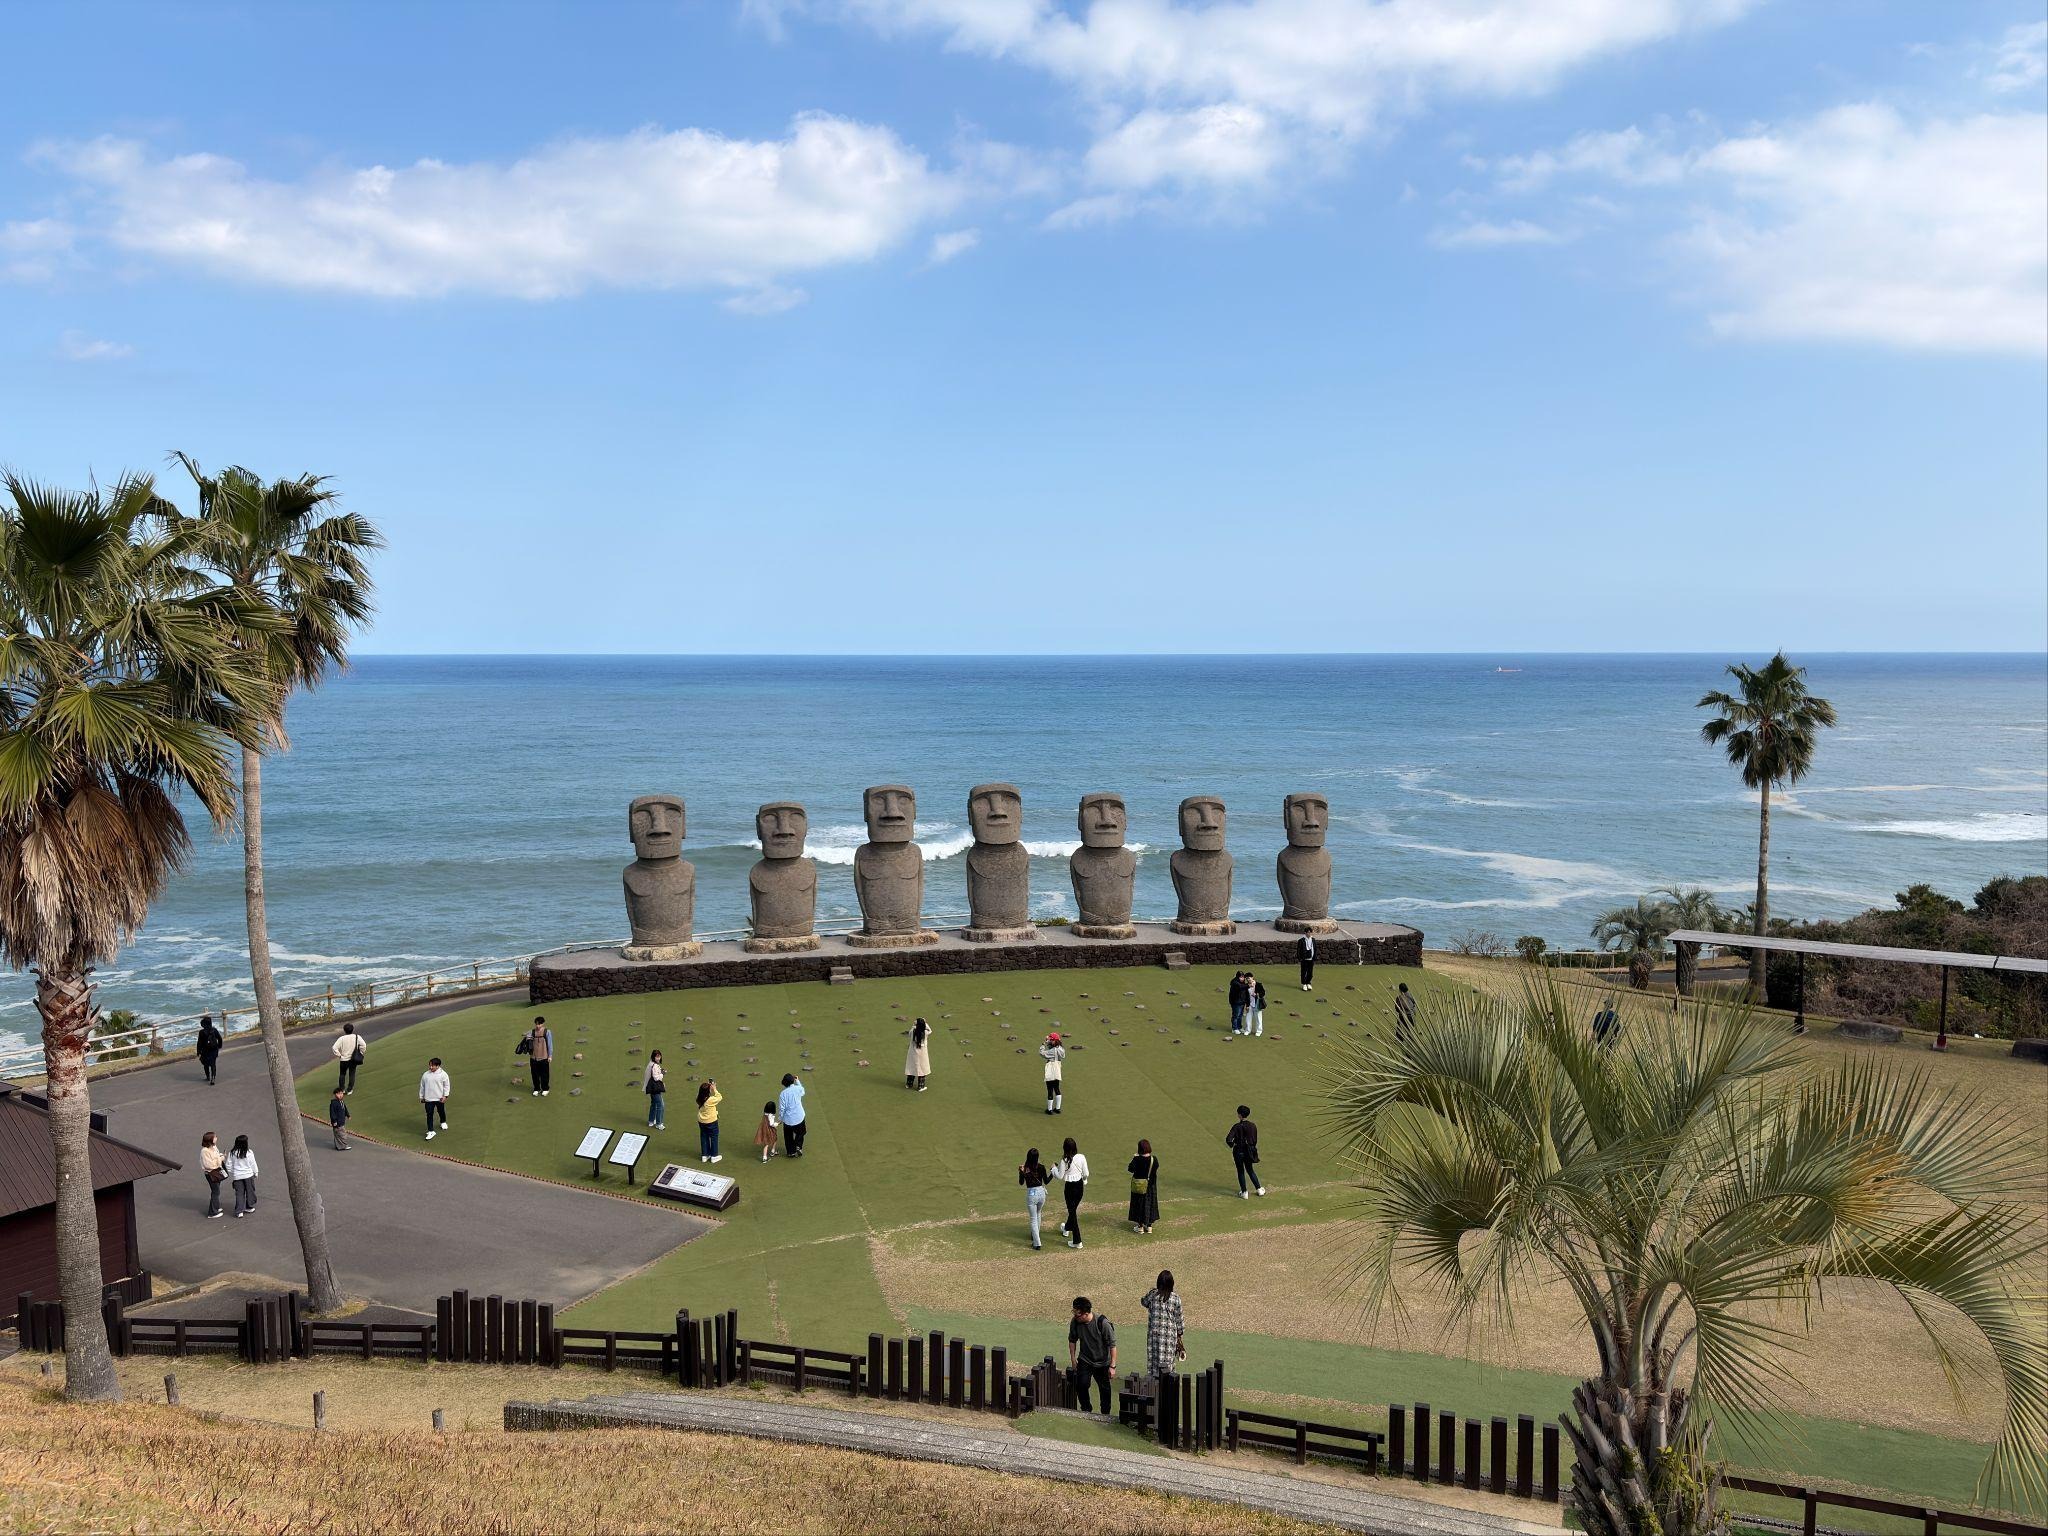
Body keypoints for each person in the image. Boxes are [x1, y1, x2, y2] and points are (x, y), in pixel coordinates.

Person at [1066, 1295, 1117, 1415]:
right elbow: (1072, 1340)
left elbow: (1112, 1345)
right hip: (1085, 1359)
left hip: (1102, 1362)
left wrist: (1112, 1366)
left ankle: (1105, 1414)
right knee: (1081, 1385)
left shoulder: (1102, 1323)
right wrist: (1073, 1359)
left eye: (1077, 1314)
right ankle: (1086, 1410)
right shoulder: (1075, 1322)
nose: (1075, 1316)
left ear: (1086, 1313)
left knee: (1105, 1390)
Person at [1140, 1270, 1186, 1386]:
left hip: (1154, 1335)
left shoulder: (1152, 1295)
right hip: (1169, 1336)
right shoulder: (1176, 1298)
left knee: (1154, 1358)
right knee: (1168, 1359)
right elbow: (1179, 1320)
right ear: (1171, 1284)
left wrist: (1151, 1291)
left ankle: (1154, 1382)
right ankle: (1168, 1382)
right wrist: (1180, 1334)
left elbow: (1143, 1302)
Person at [1052, 1136, 1089, 1249]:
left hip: (1070, 1189)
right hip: (1079, 1187)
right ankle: (1067, 1228)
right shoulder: (1081, 1157)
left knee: (1072, 1213)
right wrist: (1084, 1179)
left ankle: (1077, 1241)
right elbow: (1086, 1173)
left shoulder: (1064, 1160)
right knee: (1072, 1211)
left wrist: (1053, 1169)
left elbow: (1059, 1176)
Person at [1225, 1104, 1265, 1198]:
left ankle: (1244, 1192)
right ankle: (1259, 1189)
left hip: (1238, 1152)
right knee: (1250, 1170)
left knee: (1240, 1171)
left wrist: (1233, 1144)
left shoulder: (1237, 1126)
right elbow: (1254, 1140)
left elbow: (1228, 1139)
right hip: (1249, 1151)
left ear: (1239, 1115)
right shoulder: (1253, 1126)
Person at [1019, 1146, 1051, 1250]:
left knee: (1033, 1219)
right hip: (1041, 1193)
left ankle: (1037, 1243)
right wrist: (1053, 1172)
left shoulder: (1025, 1168)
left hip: (1031, 1194)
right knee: (1038, 1213)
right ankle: (1035, 1234)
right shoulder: (1041, 1167)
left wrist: (1021, 1172)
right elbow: (1046, 1181)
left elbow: (1021, 1183)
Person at [1127, 1138, 1160, 1235]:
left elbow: (1130, 1169)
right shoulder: (1154, 1159)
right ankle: (1149, 1226)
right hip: (1151, 1187)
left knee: (1139, 1205)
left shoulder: (1137, 1159)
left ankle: (1140, 1226)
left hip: (1139, 1186)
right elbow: (1155, 1169)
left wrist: (1134, 1158)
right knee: (1150, 1205)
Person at [226, 1133, 259, 1217]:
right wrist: (256, 1172)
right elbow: (253, 1164)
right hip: (248, 1176)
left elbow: (228, 1166)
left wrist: (234, 1172)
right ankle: (249, 1206)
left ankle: (239, 1211)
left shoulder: (232, 1153)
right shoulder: (249, 1153)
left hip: (237, 1177)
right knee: (250, 1191)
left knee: (239, 1194)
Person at [419, 1056, 451, 1139]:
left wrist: (445, 1096)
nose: (430, 1067)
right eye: (430, 1065)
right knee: (429, 1114)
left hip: (439, 1098)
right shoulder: (426, 1075)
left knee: (441, 1111)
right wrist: (421, 1096)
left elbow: (446, 1086)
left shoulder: (443, 1075)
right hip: (428, 1099)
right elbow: (422, 1086)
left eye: (432, 1065)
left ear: (438, 1066)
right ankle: (431, 1131)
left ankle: (443, 1122)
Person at [777, 1073, 807, 1158]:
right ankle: (798, 1146)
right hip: (799, 1116)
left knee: (788, 1136)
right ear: (792, 1081)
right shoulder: (798, 1088)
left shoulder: (783, 1094)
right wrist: (797, 1080)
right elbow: (803, 1091)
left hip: (788, 1120)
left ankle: (791, 1152)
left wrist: (780, 1119)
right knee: (801, 1133)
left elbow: (782, 1108)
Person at [523, 1017, 553, 1096]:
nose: (537, 1026)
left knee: (544, 1074)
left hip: (544, 1057)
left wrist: (550, 1056)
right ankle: (537, 1088)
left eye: (539, 1024)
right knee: (535, 1074)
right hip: (533, 1057)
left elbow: (550, 1045)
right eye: (536, 1024)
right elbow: (527, 1040)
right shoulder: (532, 1032)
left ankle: (545, 1089)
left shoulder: (547, 1032)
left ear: (543, 1024)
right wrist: (527, 1038)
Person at [332, 1022, 365, 1095]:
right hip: (353, 1059)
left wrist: (339, 1055)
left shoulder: (341, 1038)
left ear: (344, 1030)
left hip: (344, 1059)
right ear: (352, 1029)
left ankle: (342, 1089)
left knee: (342, 1074)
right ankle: (349, 1090)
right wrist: (361, 1053)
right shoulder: (357, 1037)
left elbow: (334, 1048)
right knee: (352, 1074)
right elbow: (363, 1045)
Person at [199, 1130, 226, 1218]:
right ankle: (212, 1213)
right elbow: (209, 1165)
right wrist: (221, 1158)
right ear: (210, 1139)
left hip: (216, 1172)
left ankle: (215, 1207)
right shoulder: (205, 1151)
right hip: (211, 1173)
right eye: (215, 1137)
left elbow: (217, 1156)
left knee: (216, 1191)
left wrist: (221, 1156)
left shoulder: (214, 1147)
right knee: (215, 1192)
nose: (216, 1138)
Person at [695, 1076, 722, 1163]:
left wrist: (708, 1087)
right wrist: (715, 1089)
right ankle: (714, 1156)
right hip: (711, 1121)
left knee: (704, 1137)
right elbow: (719, 1097)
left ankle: (705, 1155)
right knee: (714, 1137)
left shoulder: (699, 1098)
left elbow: (704, 1092)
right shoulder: (710, 1100)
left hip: (701, 1121)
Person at [1039, 1031, 1065, 1113]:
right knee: (1057, 1088)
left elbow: (1042, 1053)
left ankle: (1049, 1110)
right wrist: (1048, 1043)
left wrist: (1043, 1044)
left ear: (1054, 1040)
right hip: (1057, 1068)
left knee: (1050, 1089)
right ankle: (1058, 1108)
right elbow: (1053, 1049)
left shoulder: (1052, 1050)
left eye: (1051, 1040)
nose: (1050, 1041)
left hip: (1051, 1069)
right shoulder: (1061, 1049)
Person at [904, 1017, 931, 1092]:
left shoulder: (913, 1031)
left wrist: (914, 1025)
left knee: (911, 1067)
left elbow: (909, 1034)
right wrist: (925, 1023)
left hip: (913, 1053)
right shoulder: (925, 1033)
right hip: (922, 1054)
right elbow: (930, 1030)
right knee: (922, 1068)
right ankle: (920, 1086)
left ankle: (909, 1084)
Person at [195, 1014, 222, 1086]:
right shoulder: (214, 1030)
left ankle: (208, 1077)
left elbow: (199, 1043)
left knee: (205, 1064)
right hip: (214, 1050)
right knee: (213, 1064)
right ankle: (213, 1078)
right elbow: (220, 1038)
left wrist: (198, 1051)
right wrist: (219, 1046)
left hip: (205, 1051)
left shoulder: (201, 1032)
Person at [644, 1049, 668, 1130]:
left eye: (659, 1056)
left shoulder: (650, 1064)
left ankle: (651, 1121)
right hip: (655, 1088)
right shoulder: (654, 1066)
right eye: (657, 1056)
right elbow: (656, 1077)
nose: (658, 1058)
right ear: (653, 1057)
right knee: (661, 1105)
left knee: (654, 1104)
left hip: (651, 1087)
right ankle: (659, 1123)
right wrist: (662, 1074)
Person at [1247, 972, 1267, 1038]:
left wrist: (1257, 994)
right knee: (1248, 1018)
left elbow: (1263, 992)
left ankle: (1259, 1031)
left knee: (1258, 1018)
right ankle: (1248, 1030)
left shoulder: (1258, 984)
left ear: (1252, 977)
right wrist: (1246, 1005)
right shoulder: (1246, 986)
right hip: (1249, 1004)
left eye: (1249, 978)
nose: (1248, 979)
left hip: (1257, 1004)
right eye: (1247, 978)